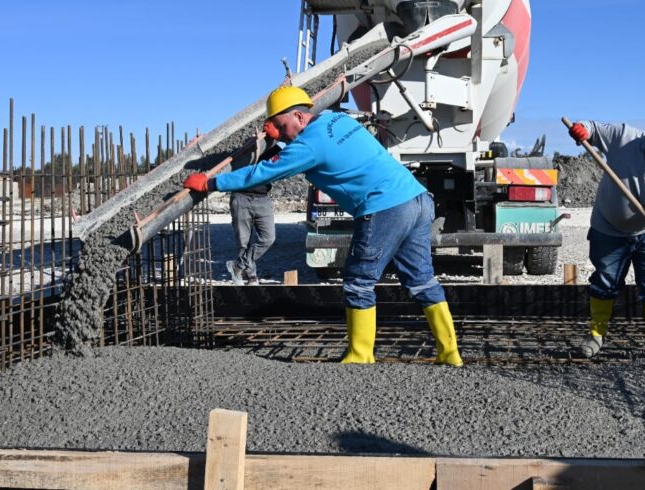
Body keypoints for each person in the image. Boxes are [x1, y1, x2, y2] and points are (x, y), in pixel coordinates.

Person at [183, 86, 463, 366]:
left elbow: (263, 173)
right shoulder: (337, 120)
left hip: (385, 207)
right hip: (417, 199)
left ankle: (359, 356)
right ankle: (450, 353)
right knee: (421, 279)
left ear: (299, 117)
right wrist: (280, 140)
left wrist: (211, 183)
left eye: (282, 126)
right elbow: (314, 149)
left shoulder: (307, 146)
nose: (280, 133)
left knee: (358, 283)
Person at [568, 119, 645, 357]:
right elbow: (592, 129)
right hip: (607, 229)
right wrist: (581, 129)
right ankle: (596, 336)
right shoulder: (624, 138)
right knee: (604, 282)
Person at [226, 168, 275, 286]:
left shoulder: (270, 150)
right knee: (243, 243)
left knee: (268, 238)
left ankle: (237, 266)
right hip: (240, 195)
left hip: (262, 197)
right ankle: (251, 275)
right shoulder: (240, 153)